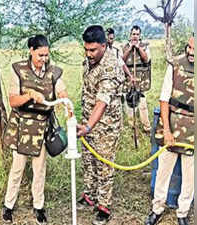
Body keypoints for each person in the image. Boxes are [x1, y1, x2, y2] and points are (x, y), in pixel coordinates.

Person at [2, 34, 68, 224]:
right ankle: (8, 205)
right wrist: (30, 95)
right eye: (40, 55)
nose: (43, 59)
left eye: (46, 55)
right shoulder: (18, 70)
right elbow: (13, 100)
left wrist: (64, 100)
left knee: (40, 170)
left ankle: (39, 207)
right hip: (22, 125)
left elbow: (61, 91)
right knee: (17, 168)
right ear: (31, 51)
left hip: (42, 127)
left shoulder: (53, 72)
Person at [76, 25, 125, 225]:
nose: (89, 54)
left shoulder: (111, 66)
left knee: (104, 165)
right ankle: (90, 195)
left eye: (93, 50)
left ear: (104, 46)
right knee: (89, 161)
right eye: (86, 50)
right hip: (89, 121)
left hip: (106, 126)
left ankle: (103, 206)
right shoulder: (90, 61)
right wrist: (86, 124)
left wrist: (88, 126)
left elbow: (102, 102)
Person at [145, 36, 195, 225]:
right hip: (172, 125)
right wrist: (166, 130)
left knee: (191, 175)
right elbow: (164, 99)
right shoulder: (175, 65)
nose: (191, 52)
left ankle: (182, 213)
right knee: (163, 171)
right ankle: (157, 208)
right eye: (189, 47)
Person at [122, 25, 152, 134]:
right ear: (130, 35)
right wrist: (130, 49)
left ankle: (147, 128)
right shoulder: (124, 47)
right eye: (133, 34)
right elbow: (121, 61)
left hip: (141, 81)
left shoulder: (145, 47)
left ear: (140, 36)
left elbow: (146, 59)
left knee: (142, 106)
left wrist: (138, 48)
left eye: (137, 34)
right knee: (129, 106)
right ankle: (132, 128)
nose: (135, 36)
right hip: (128, 81)